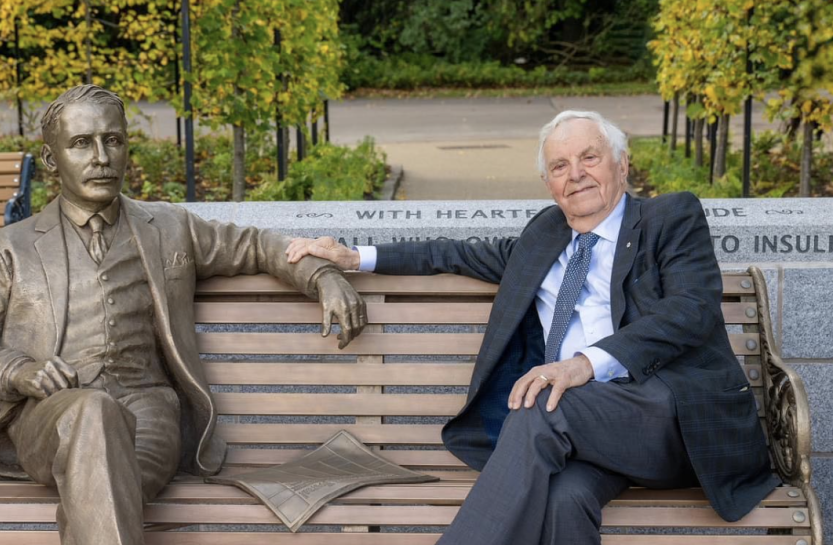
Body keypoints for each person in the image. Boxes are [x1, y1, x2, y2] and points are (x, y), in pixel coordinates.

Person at [285, 110, 776, 544]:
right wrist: (353, 256)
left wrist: (583, 365)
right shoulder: (545, 236)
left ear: (621, 165)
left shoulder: (670, 218)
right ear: (548, 184)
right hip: (585, 437)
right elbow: (452, 252)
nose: (576, 175)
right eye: (560, 166)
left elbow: (691, 311)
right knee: (564, 500)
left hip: (671, 426)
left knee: (542, 400)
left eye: (590, 158)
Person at [0, 84, 368, 545]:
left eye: (113, 140)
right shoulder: (8, 250)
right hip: (49, 417)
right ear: (50, 159)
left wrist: (324, 276)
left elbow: (258, 245)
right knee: (92, 416)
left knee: (101, 484)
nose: (101, 157)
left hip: (148, 410)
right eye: (82, 143)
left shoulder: (169, 227)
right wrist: (19, 371)